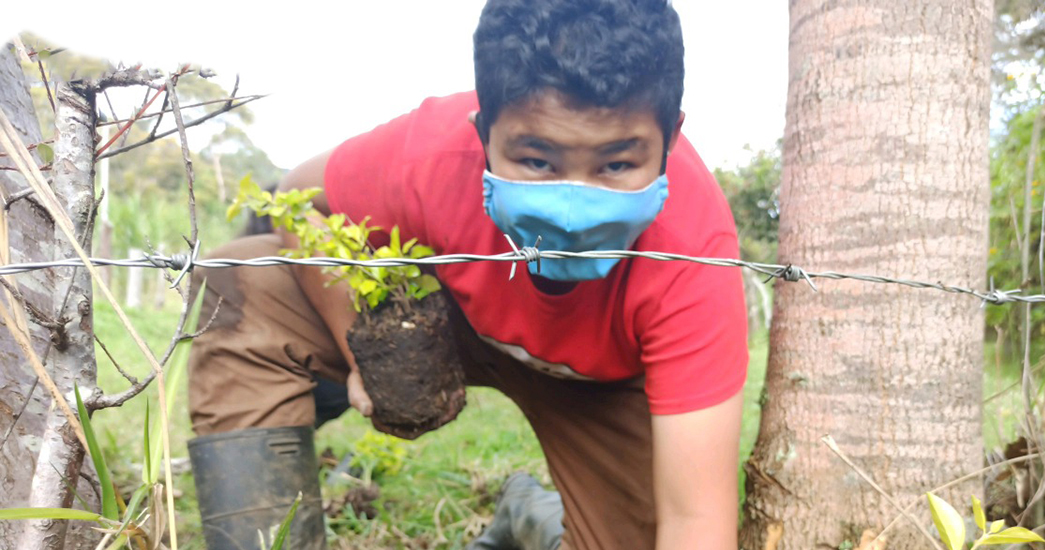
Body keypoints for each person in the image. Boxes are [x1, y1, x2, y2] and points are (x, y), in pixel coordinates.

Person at [184, 0, 749, 548]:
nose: (574, 200)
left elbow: (695, 517)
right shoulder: (431, 153)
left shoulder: (695, 252)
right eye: (537, 161)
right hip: (452, 323)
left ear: (671, 138)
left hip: (601, 382)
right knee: (245, 281)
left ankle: (533, 515)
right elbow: (298, 199)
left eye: (617, 164)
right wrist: (358, 347)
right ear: (482, 135)